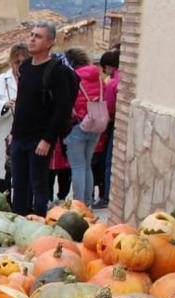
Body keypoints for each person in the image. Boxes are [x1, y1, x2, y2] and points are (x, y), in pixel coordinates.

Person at [9, 22, 76, 216]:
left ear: (50, 42)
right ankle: (18, 221)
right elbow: (22, 102)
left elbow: (61, 109)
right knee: (19, 184)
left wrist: (48, 139)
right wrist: (14, 132)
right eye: (31, 35)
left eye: (38, 36)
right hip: (20, 137)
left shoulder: (57, 71)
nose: (32, 39)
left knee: (38, 184)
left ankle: (38, 224)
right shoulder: (27, 67)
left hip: (39, 139)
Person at [63, 48, 104, 207]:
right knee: (87, 165)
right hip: (95, 123)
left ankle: (79, 205)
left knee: (78, 166)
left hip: (77, 125)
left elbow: (68, 101)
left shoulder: (73, 77)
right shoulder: (98, 78)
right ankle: (88, 203)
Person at [0, 43, 28, 192]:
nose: (20, 66)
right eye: (17, 62)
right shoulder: (2, 80)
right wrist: (5, 105)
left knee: (23, 174)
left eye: (24, 62)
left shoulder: (32, 79)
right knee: (3, 173)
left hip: (25, 131)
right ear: (11, 62)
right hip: (5, 130)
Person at [94, 48, 120, 208]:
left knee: (109, 162)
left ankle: (106, 196)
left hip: (112, 126)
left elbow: (108, 108)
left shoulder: (112, 83)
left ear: (108, 66)